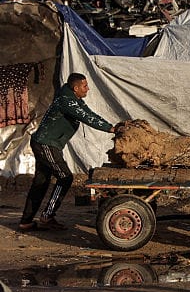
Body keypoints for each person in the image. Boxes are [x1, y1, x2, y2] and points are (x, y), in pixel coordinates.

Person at [19, 72, 121, 232]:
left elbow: (90, 114)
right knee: (65, 178)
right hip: (46, 144)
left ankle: (26, 221)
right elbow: (86, 117)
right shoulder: (67, 101)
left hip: (46, 143)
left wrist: (111, 126)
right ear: (76, 88)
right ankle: (47, 216)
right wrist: (111, 129)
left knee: (41, 181)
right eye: (85, 86)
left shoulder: (74, 99)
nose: (88, 89)